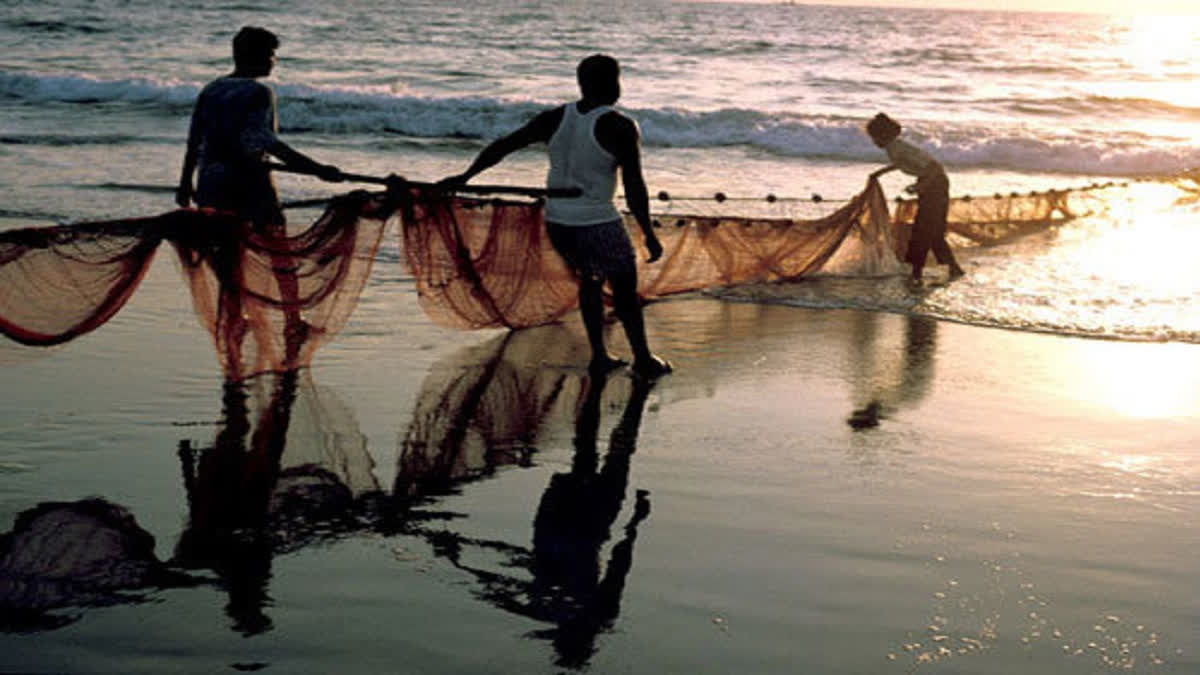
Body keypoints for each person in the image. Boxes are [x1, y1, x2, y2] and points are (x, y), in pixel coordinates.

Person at [440, 54, 671, 378]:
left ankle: (600, 357)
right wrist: (648, 232)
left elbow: (503, 146)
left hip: (559, 221)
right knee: (623, 289)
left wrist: (465, 177)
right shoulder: (620, 126)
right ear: (611, 83)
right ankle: (644, 360)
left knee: (590, 282)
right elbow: (634, 186)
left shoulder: (555, 118)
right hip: (597, 222)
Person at [176, 25, 343, 225]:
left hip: (210, 183)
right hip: (248, 184)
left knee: (223, 247)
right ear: (257, 56)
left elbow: (194, 142)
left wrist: (185, 183)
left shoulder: (212, 89)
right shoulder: (259, 92)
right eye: (271, 54)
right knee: (271, 239)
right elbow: (266, 143)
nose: (274, 61)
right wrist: (317, 169)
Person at [866, 113, 964, 283]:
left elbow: (934, 167)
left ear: (882, 136)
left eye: (874, 138)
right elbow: (903, 163)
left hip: (935, 183)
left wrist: (921, 186)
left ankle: (916, 272)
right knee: (933, 232)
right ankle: (953, 268)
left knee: (923, 230)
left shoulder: (897, 147)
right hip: (933, 182)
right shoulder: (895, 147)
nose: (874, 142)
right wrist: (880, 173)